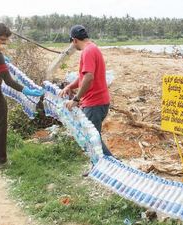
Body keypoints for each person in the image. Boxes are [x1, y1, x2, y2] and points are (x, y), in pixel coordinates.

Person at [0, 22, 44, 169]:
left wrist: (0, 59)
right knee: (0, 124)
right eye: (3, 40)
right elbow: (8, 80)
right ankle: (1, 160)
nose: (5, 43)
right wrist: (26, 90)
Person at [59, 25, 113, 177]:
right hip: (98, 100)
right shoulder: (92, 48)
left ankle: (107, 166)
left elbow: (89, 77)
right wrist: (70, 86)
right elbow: (83, 77)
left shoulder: (88, 52)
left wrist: (76, 99)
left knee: (92, 138)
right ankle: (107, 165)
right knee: (94, 136)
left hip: (95, 102)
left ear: (74, 40)